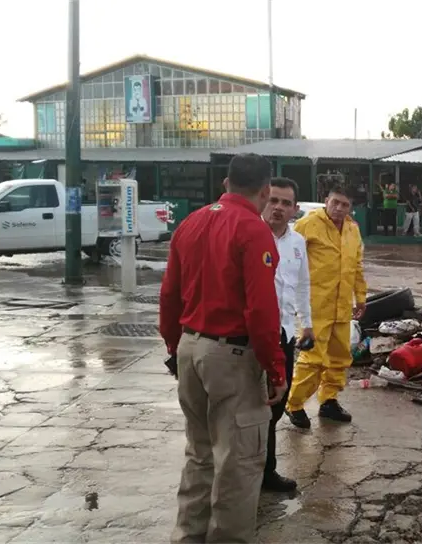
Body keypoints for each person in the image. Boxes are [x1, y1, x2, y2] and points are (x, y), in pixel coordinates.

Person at [159, 153, 286, 544]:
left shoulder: (191, 222)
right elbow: (261, 310)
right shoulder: (253, 229)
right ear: (265, 191)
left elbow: (169, 296)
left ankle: (189, 537)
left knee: (199, 455)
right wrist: (276, 369)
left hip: (190, 349)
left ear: (225, 184)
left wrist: (174, 346)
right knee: (239, 462)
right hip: (231, 358)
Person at [285, 185, 367, 428]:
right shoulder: (308, 224)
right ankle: (294, 404)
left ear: (351, 208)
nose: (339, 208)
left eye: (345, 205)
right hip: (315, 307)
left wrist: (360, 297)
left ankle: (329, 400)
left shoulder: (352, 229)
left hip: (342, 306)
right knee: (312, 359)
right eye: (335, 202)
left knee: (340, 357)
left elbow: (357, 266)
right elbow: (290, 259)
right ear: (326, 201)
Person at [260, 177, 313, 493]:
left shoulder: (297, 243)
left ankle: (265, 471)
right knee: (254, 407)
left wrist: (306, 323)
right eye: (273, 200)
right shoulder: (250, 235)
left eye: (285, 203)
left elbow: (303, 284)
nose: (278, 207)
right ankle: (259, 472)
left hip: (283, 334)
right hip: (251, 335)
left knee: (277, 403)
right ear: (264, 199)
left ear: (295, 209)